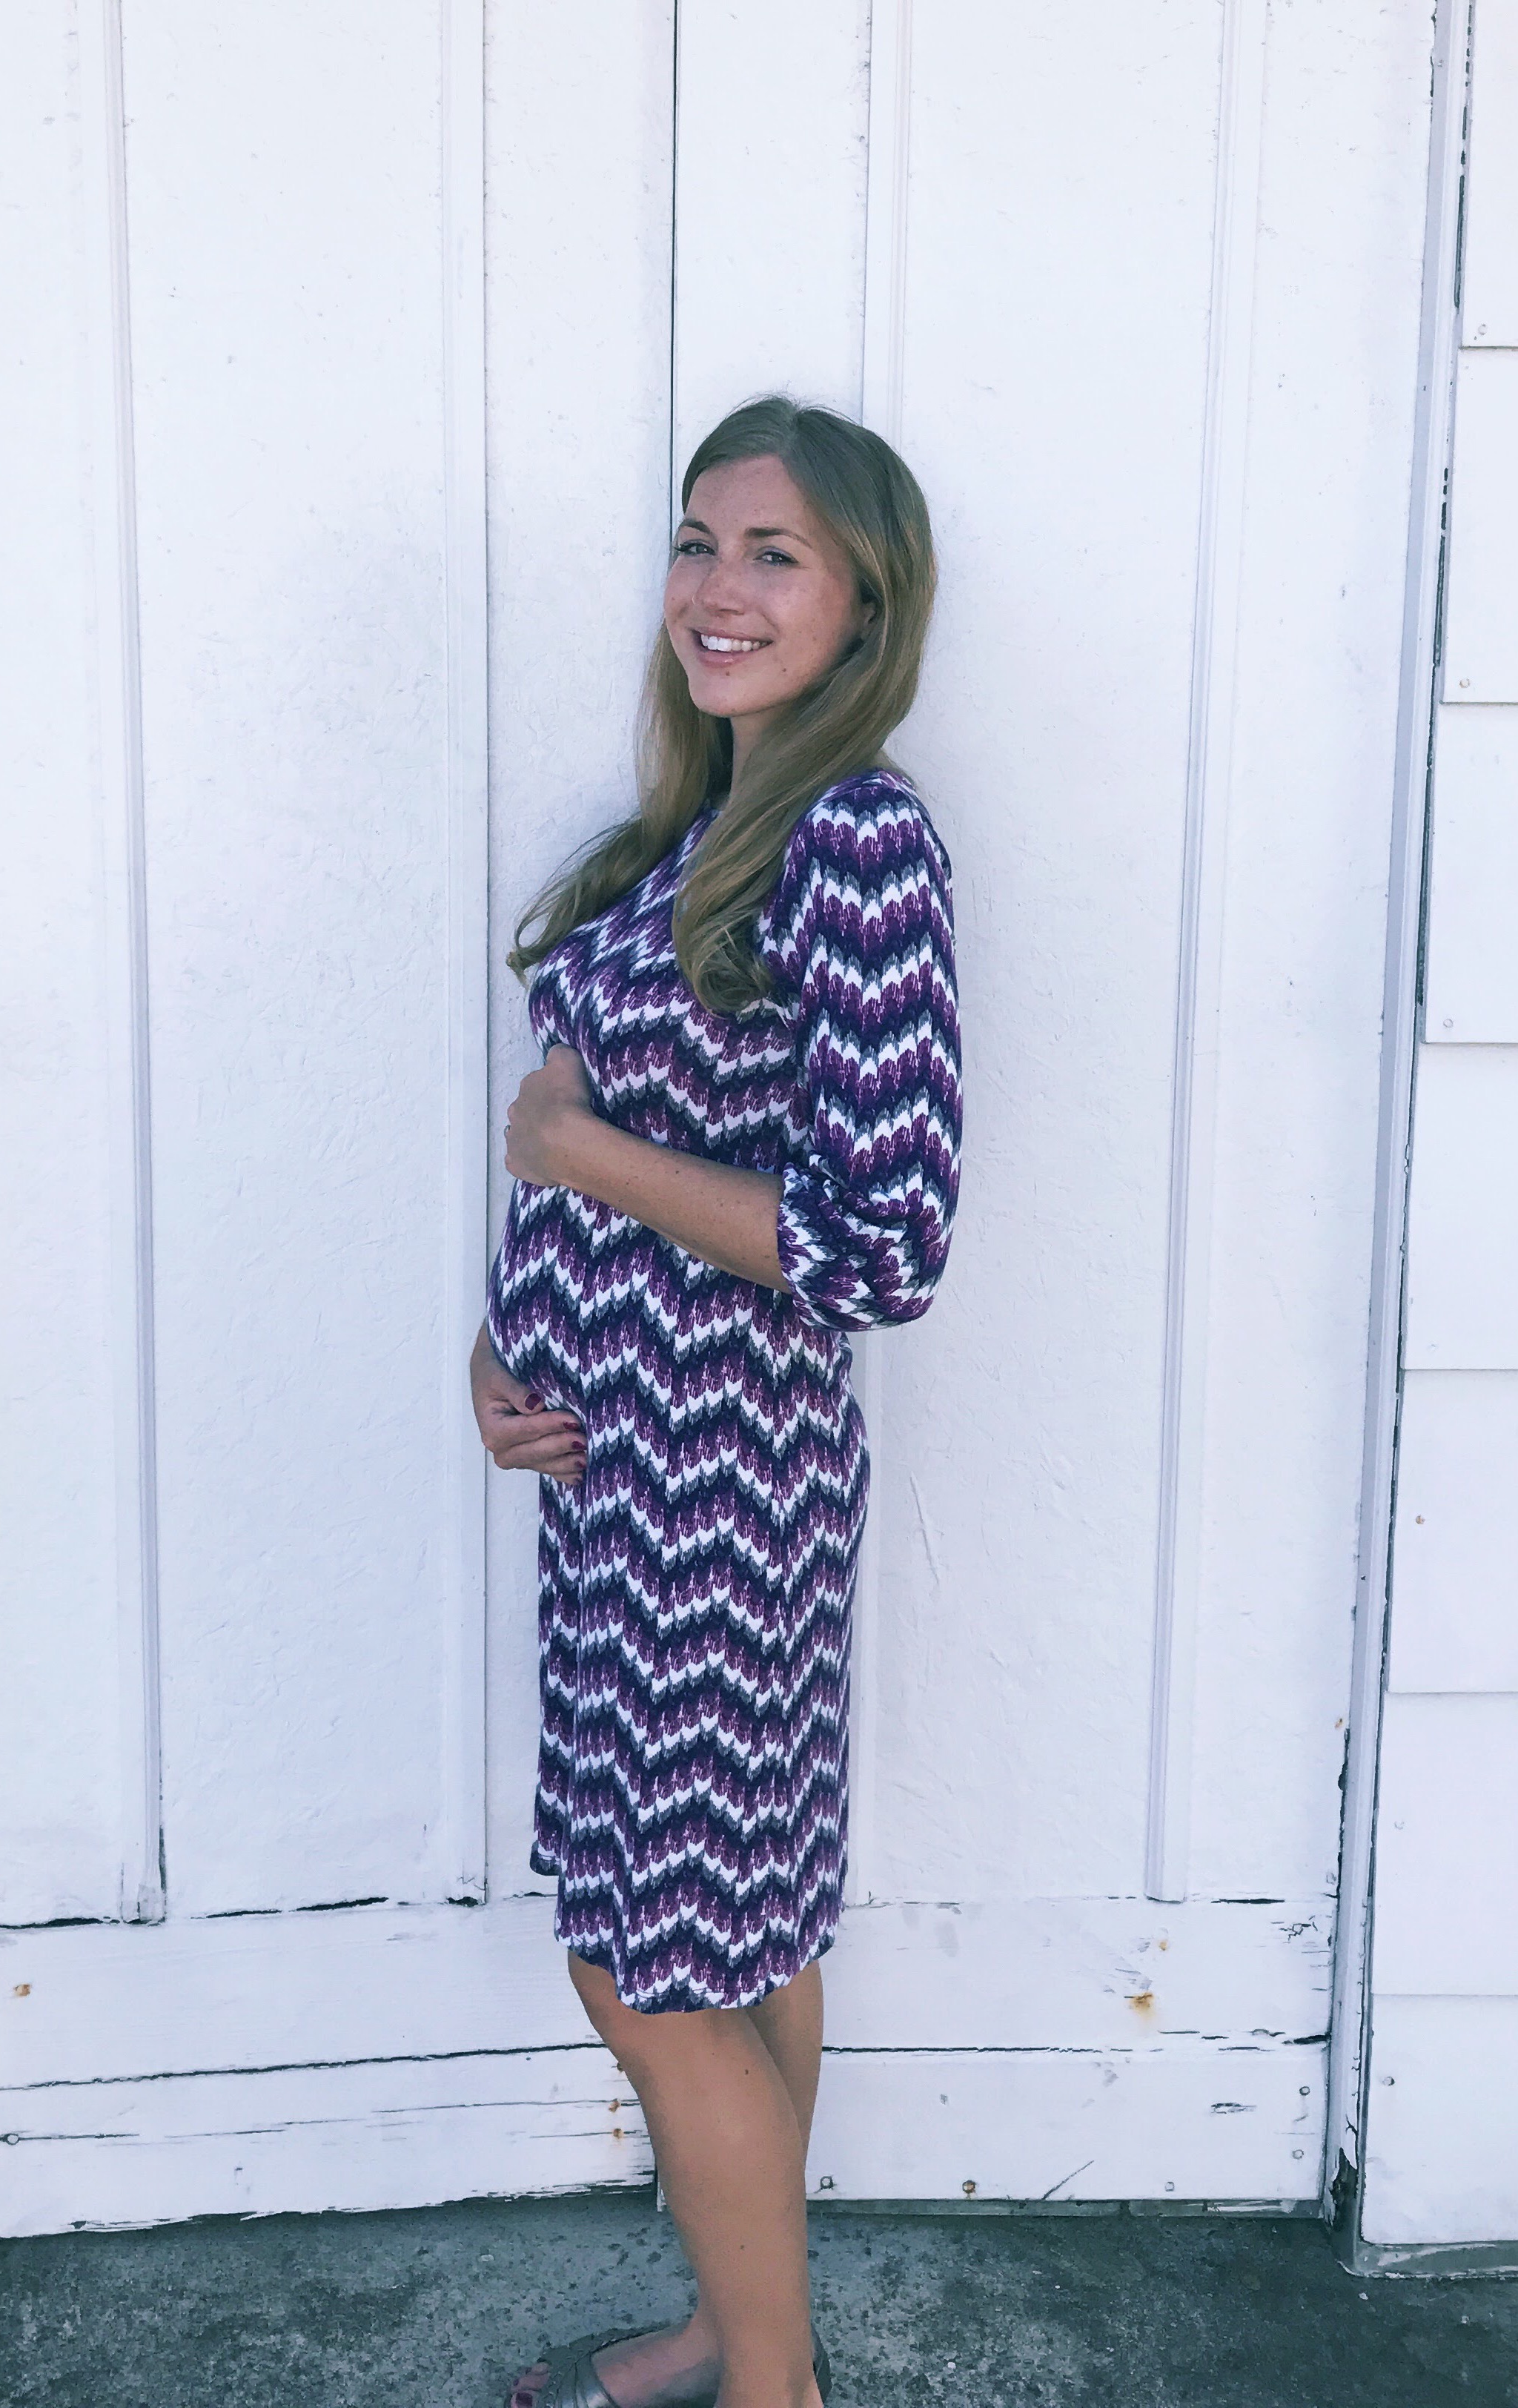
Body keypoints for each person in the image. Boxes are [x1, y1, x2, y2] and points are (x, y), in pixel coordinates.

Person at [471, 394, 961, 2408]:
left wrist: (575, 1159)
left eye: (773, 553)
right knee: (737, 1939)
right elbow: (587, 1171)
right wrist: (504, 1350)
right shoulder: (690, 840)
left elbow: (884, 1245)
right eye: (697, 541)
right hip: (616, 1483)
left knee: (652, 1957)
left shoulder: (860, 843)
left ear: (863, 609)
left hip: (718, 1494)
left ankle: (773, 2390)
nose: (716, 587)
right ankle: (740, 2332)